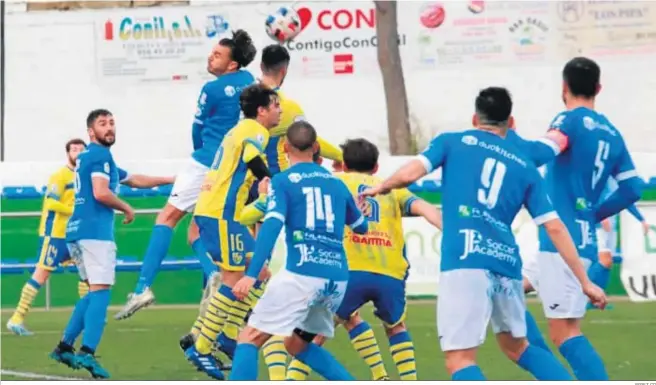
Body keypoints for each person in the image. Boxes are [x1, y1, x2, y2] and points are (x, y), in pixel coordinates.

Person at [361, 87, 607, 381]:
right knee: (518, 347)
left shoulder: (452, 142)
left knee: (459, 360)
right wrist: (585, 281)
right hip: (506, 264)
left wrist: (382, 187)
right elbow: (553, 225)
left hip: (466, 260)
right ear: (510, 122)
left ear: (475, 118)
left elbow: (412, 173)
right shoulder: (524, 165)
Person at [513, 57, 643, 380]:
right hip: (570, 237)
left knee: (565, 332)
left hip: (562, 242)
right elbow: (633, 188)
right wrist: (592, 213)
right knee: (507, 291)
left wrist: (508, 140)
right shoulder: (613, 134)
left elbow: (543, 151)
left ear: (563, 87)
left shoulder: (568, 120)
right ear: (598, 88)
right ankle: (551, 373)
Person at [115, 30, 257, 320]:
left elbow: (197, 131)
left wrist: (199, 161)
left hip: (207, 161)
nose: (210, 56)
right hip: (238, 167)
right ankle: (216, 276)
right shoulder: (250, 83)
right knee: (198, 230)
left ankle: (143, 287)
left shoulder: (212, 89)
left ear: (232, 64)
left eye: (217, 54)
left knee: (166, 217)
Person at [285, 138, 442, 381]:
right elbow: (424, 208)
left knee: (310, 337)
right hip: (389, 273)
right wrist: (448, 228)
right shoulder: (392, 189)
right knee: (396, 328)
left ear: (343, 165)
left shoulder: (334, 183)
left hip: (347, 272)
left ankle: (291, 380)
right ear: (376, 167)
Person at [228, 121, 368, 381]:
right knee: (297, 344)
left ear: (284, 147)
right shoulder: (337, 184)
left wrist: (251, 274)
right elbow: (361, 228)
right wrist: (362, 211)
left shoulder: (282, 182)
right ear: (316, 148)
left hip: (302, 275)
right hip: (335, 280)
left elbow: (270, 226)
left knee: (249, 336)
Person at [48, 109, 174, 379]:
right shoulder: (101, 155)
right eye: (103, 124)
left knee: (93, 292)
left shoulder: (91, 158)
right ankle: (87, 352)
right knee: (101, 292)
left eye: (112, 123)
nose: (109, 128)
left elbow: (134, 179)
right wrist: (127, 208)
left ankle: (64, 347)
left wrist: (170, 179)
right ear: (91, 132)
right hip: (95, 233)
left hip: (77, 232)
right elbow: (101, 192)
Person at [182, 84, 281, 379]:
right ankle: (202, 346)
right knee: (233, 279)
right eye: (275, 105)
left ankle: (225, 335)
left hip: (223, 212)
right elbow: (252, 156)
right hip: (220, 212)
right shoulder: (256, 130)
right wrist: (270, 179)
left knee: (260, 274)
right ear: (261, 110)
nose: (279, 110)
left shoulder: (240, 128)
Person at [6, 139, 87, 336]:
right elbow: (51, 203)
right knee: (41, 274)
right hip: (55, 235)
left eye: (81, 150)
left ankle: (86, 318)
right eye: (74, 149)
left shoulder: (84, 177)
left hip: (76, 235)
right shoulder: (59, 176)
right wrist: (73, 210)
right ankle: (16, 318)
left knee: (87, 276)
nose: (77, 152)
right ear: (67, 153)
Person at [588, 176, 647, 309]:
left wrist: (641, 219)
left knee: (608, 261)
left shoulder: (615, 180)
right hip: (599, 225)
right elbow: (591, 196)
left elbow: (626, 201)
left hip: (610, 227)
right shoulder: (602, 176)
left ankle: (597, 299)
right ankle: (587, 298)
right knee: (601, 260)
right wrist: (600, 217)